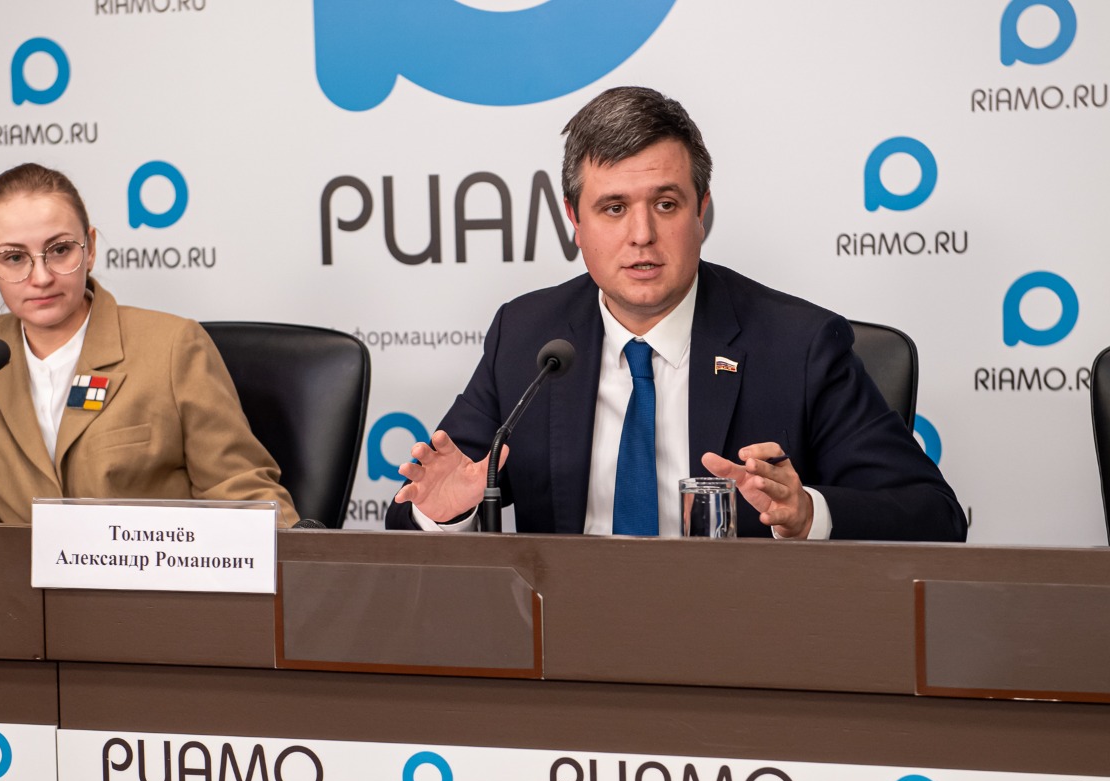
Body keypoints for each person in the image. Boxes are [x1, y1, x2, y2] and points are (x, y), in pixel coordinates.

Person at [386, 86, 966, 541]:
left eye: (665, 204)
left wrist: (808, 512)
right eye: (614, 208)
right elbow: (420, 511)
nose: (642, 234)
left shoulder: (798, 346)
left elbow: (933, 515)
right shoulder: (527, 339)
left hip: (739, 639)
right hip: (565, 637)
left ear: (701, 212)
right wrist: (445, 514)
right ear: (574, 221)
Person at [0, 162, 298, 526]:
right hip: (16, 568)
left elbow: (242, 495)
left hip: (156, 563)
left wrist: (296, 552)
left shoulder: (174, 348)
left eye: (60, 250)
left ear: (90, 248)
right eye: (14, 258)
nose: (41, 277)